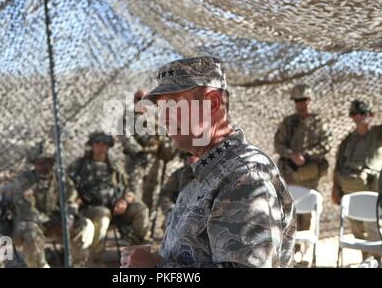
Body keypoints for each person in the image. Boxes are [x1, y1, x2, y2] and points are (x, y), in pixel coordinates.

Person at [121, 56, 296, 268]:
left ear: (212, 103)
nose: (163, 118)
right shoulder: (210, 168)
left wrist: (157, 269)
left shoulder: (245, 176)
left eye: (172, 105)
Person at [3, 141, 94, 268]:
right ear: (34, 163)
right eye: (40, 163)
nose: (45, 166)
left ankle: (78, 263)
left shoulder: (60, 178)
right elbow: (27, 211)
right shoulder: (25, 180)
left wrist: (69, 217)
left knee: (85, 225)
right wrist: (50, 222)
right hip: (31, 223)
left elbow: (71, 197)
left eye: (48, 162)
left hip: (57, 220)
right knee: (31, 232)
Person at [67, 132, 149, 264]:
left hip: (116, 207)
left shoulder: (115, 166)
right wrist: (76, 200)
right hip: (90, 208)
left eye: (104, 144)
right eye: (97, 144)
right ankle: (95, 260)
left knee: (141, 209)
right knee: (102, 214)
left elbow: (128, 190)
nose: (101, 147)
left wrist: (124, 201)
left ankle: (136, 254)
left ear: (108, 146)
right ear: (92, 145)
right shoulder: (79, 166)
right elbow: (69, 188)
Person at [274, 84, 331, 232]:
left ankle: (303, 247)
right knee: (288, 211)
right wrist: (291, 155)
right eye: (297, 100)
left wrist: (307, 155)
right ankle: (293, 248)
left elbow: (326, 145)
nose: (300, 103)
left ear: (309, 100)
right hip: (290, 174)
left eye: (303, 99)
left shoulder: (319, 122)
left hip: (310, 175)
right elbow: (279, 144)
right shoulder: (288, 122)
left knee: (306, 212)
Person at [332, 99, 382, 260]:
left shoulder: (378, 134)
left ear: (371, 115)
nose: (359, 117)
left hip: (373, 190)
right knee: (356, 227)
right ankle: (365, 260)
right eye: (354, 114)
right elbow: (338, 165)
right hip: (350, 190)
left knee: (373, 226)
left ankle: (376, 261)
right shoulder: (347, 140)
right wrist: (335, 188)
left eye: (363, 113)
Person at [121, 89, 176, 211]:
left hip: (154, 162)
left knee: (151, 191)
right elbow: (125, 138)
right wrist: (139, 150)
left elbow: (165, 138)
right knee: (133, 191)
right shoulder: (128, 118)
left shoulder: (155, 119)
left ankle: (147, 221)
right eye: (139, 99)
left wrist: (164, 148)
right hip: (135, 161)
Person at [158, 151, 198, 230]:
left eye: (195, 155)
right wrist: (171, 209)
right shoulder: (177, 175)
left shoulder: (207, 174)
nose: (191, 158)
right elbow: (165, 196)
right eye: (188, 156)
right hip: (179, 211)